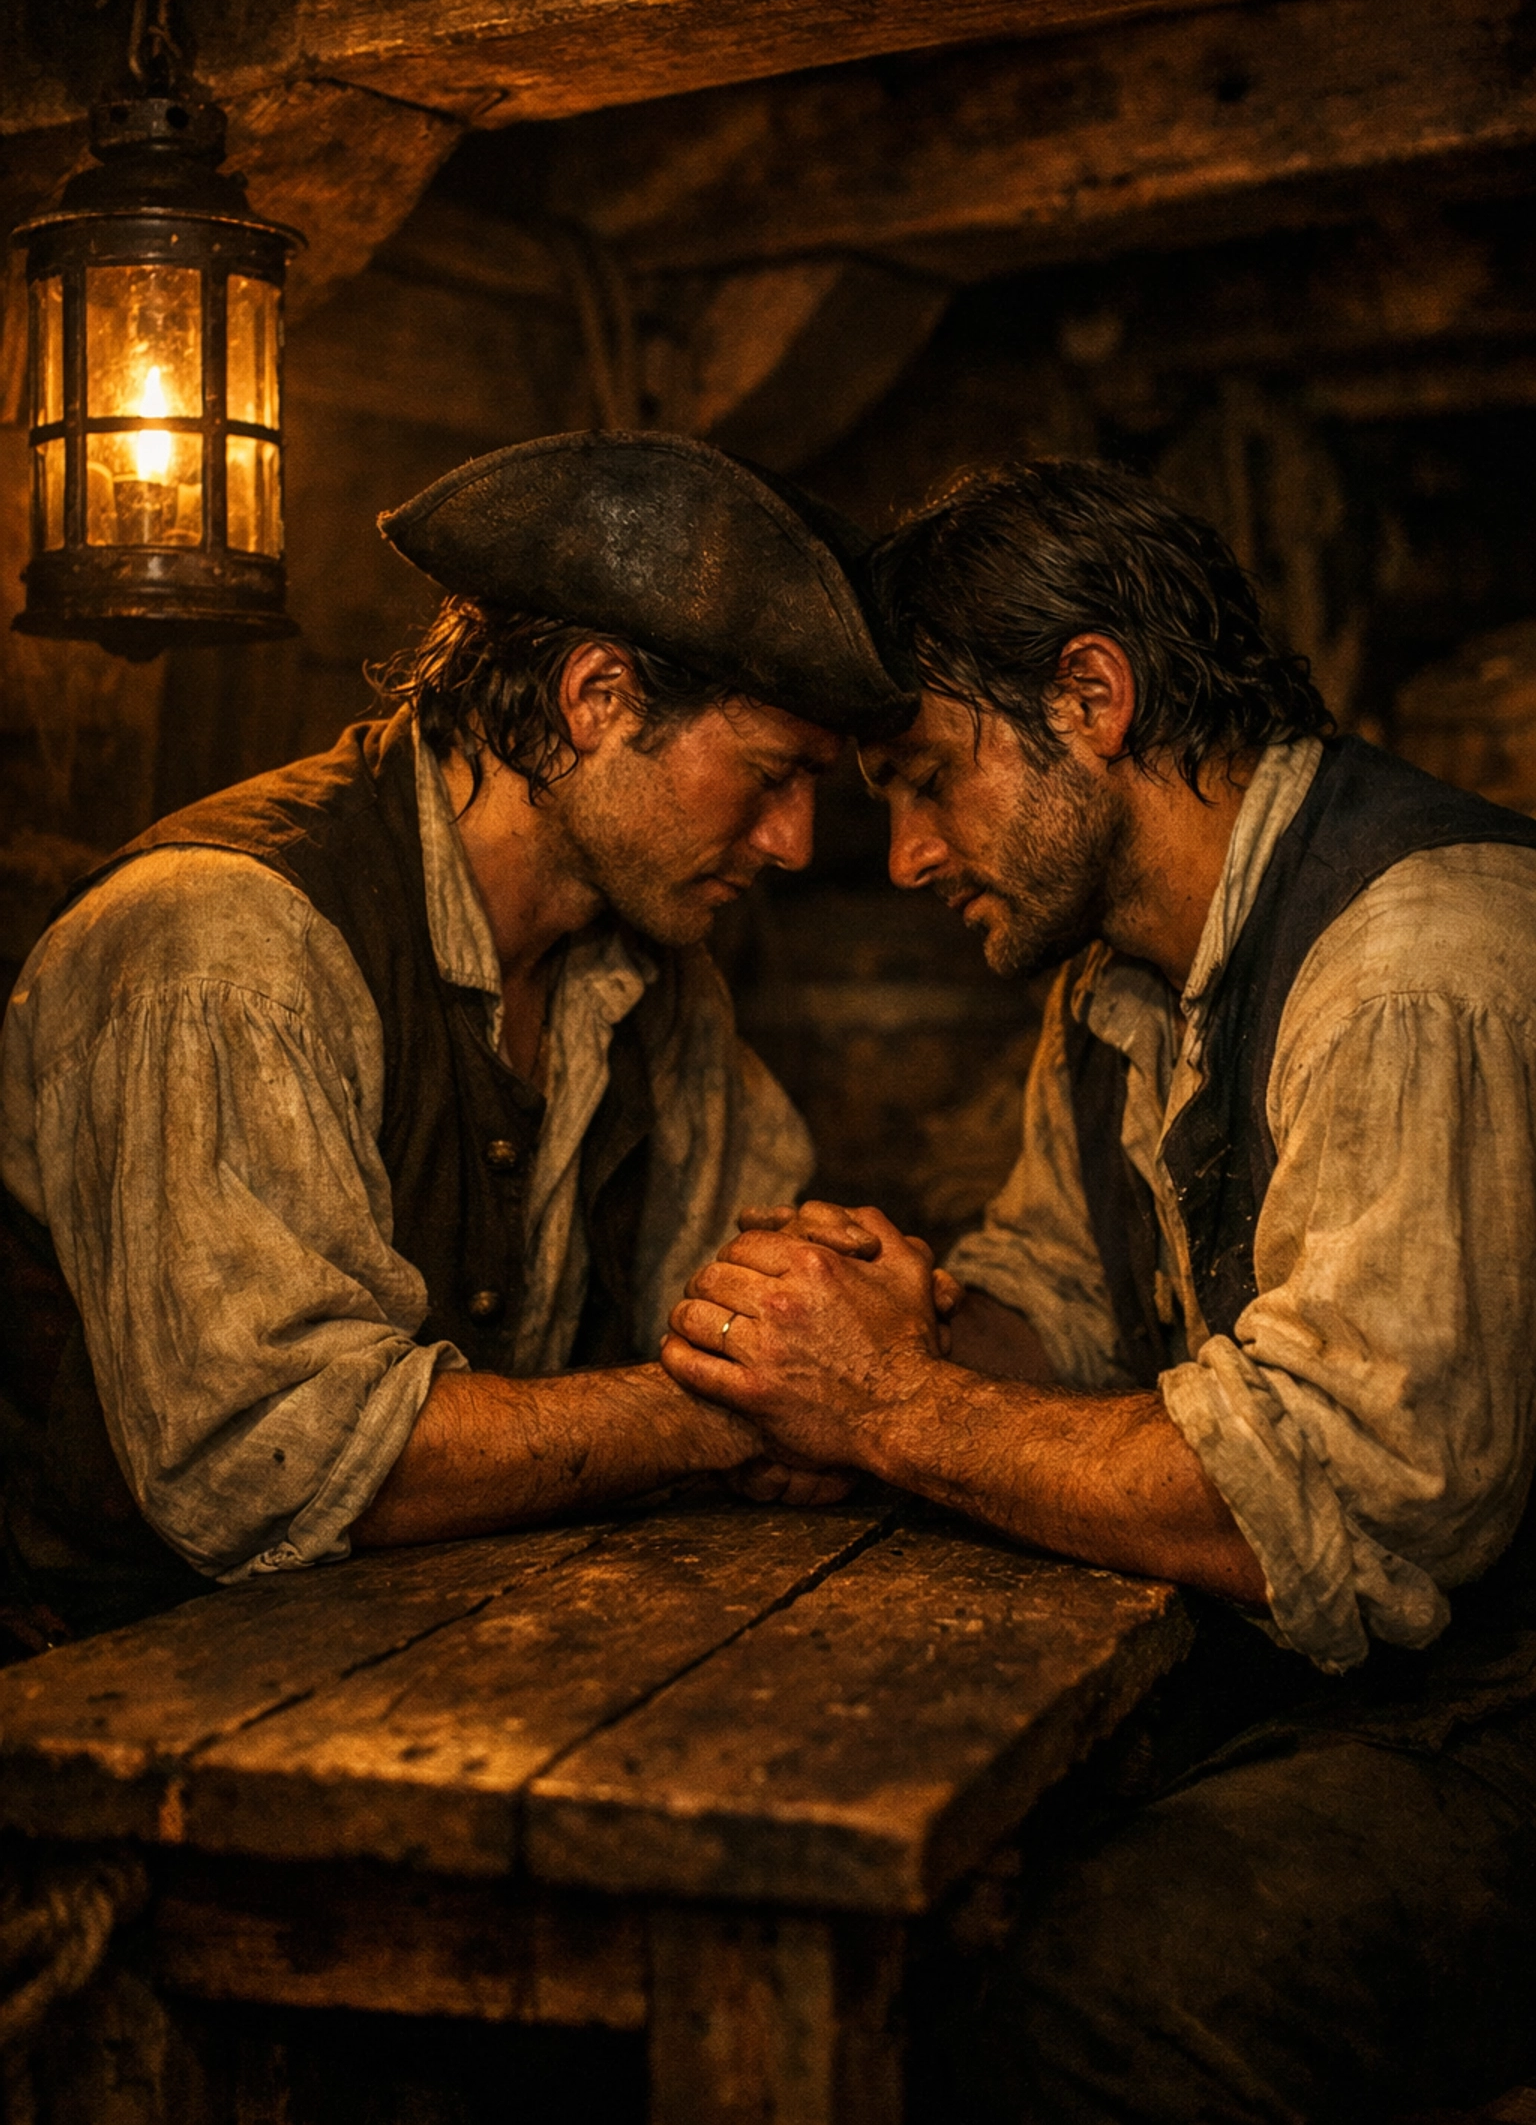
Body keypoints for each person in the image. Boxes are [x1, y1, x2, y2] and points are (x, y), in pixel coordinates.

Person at [660, 459, 1536, 2122]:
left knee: (1106, 1992)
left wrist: (891, 1404)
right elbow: (1060, 1293)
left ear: (1092, 693)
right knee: (927, 1879)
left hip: (1504, 1700)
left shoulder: (1414, 964)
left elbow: (1354, 1493)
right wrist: (897, 1322)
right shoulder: (1123, 976)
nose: (904, 854)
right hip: (1350, 1678)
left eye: (927, 779)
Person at [0, 431, 914, 1645]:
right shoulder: (222, 948)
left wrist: (852, 1306)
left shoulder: (653, 968)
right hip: (105, 1679)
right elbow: (272, 1457)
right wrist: (743, 1408)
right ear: (596, 699)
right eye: (769, 773)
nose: (796, 841)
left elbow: (753, 1275)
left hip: (449, 1651)